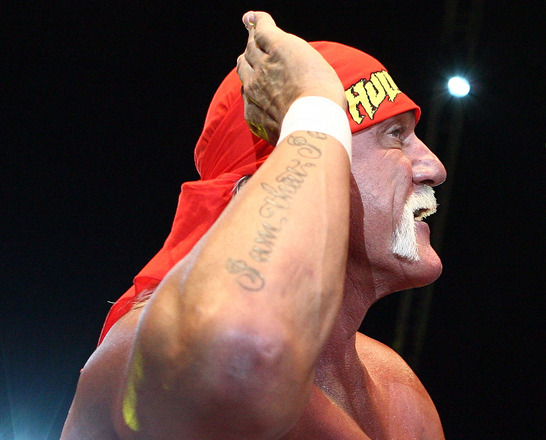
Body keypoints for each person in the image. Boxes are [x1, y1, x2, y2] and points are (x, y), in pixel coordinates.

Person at [62, 11, 447, 439]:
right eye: (395, 135)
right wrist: (317, 103)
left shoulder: (399, 391)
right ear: (278, 171)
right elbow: (241, 358)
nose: (434, 166)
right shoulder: (148, 343)